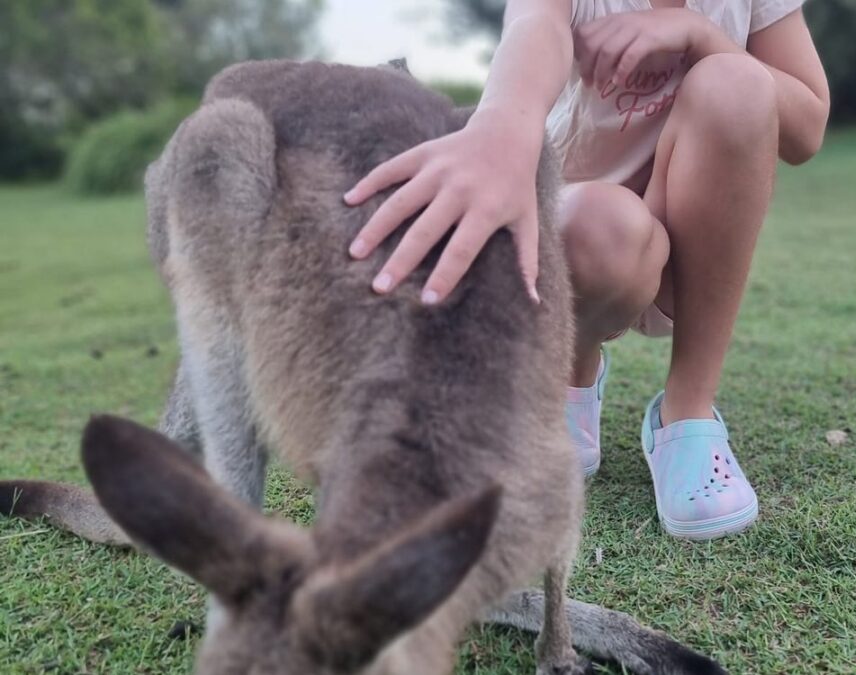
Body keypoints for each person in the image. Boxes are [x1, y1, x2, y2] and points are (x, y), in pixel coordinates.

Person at [343, 0, 830, 540]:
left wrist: (699, 36)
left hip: (698, 249)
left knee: (737, 82)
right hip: (581, 246)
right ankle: (568, 380)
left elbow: (807, 129)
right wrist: (502, 122)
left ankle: (688, 413)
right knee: (603, 224)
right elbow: (533, 28)